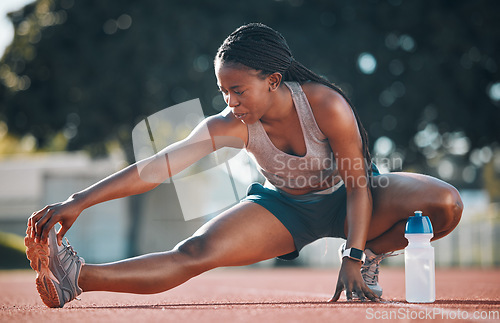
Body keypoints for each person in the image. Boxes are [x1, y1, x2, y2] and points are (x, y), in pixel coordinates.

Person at [25, 23, 463, 308]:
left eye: (237, 90)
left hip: (356, 198)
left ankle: (372, 252)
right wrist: (78, 201)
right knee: (194, 253)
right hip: (287, 209)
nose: (229, 103)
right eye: (222, 92)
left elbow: (357, 185)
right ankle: (76, 277)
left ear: (272, 81)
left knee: (445, 203)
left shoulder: (326, 105)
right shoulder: (230, 125)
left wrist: (353, 253)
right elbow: (156, 168)